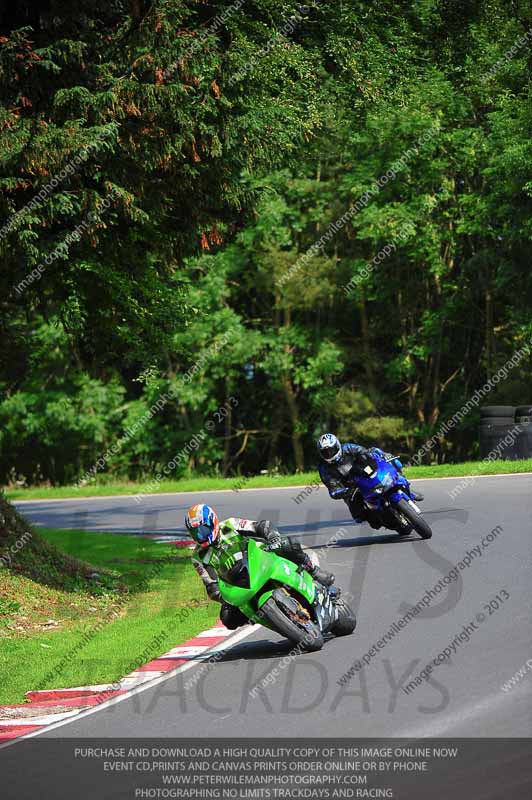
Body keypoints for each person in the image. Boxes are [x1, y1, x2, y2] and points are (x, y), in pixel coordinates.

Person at [185, 503, 335, 630]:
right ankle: (269, 618)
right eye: (196, 533)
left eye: (203, 530)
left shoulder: (230, 525)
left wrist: (272, 536)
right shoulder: (198, 557)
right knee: (228, 619)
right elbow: (210, 585)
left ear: (213, 521)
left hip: (261, 560)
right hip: (238, 584)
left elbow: (261, 526)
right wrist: (224, 598)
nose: (201, 536)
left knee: (289, 544)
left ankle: (313, 571)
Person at [317, 433, 424, 529]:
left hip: (365, 472)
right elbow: (332, 488)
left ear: (338, 446)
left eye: (331, 450)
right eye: (325, 452)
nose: (329, 454)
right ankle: (381, 518)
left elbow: (365, 452)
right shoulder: (324, 468)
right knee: (361, 516)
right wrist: (343, 491)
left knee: (392, 460)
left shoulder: (348, 448)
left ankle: (406, 487)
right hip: (352, 487)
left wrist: (380, 454)